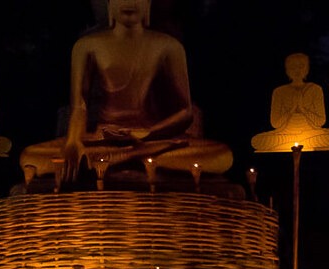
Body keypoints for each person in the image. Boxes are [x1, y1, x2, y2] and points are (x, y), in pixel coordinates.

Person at [19, 0, 232, 183]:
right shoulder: (87, 46)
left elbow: (185, 112)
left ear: (148, 4)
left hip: (153, 138)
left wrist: (146, 135)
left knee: (222, 156)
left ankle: (122, 158)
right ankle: (130, 158)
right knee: (31, 156)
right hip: (103, 139)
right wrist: (73, 143)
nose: (129, 2)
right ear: (109, 5)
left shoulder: (169, 46)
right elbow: (79, 105)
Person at [251, 52, 329, 152]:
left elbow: (321, 121)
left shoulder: (315, 89)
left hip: (311, 131)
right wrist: (291, 110)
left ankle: (297, 142)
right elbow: (275, 123)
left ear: (307, 69)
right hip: (286, 133)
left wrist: (303, 109)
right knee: (257, 141)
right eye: (293, 67)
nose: (297, 70)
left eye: (301, 66)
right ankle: (303, 142)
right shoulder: (279, 91)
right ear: (287, 70)